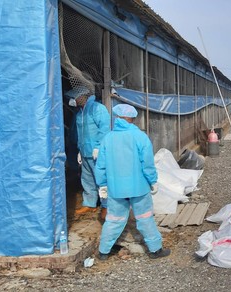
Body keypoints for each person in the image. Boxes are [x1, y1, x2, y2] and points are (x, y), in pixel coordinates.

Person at [94, 104, 170, 260]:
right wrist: (152, 181)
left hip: (116, 189)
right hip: (139, 187)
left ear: (117, 118)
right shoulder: (140, 137)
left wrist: (102, 184)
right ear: (131, 118)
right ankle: (155, 250)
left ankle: (103, 252)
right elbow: (147, 163)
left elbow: (100, 165)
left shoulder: (108, 138)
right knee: (145, 217)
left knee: (113, 219)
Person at [68, 87, 111, 220]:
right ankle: (90, 203)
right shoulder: (80, 112)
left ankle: (107, 205)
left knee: (101, 179)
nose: (72, 100)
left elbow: (104, 128)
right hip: (85, 152)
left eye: (74, 98)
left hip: (96, 153)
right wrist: (79, 150)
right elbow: (78, 133)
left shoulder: (97, 108)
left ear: (82, 96)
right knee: (87, 179)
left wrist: (98, 147)